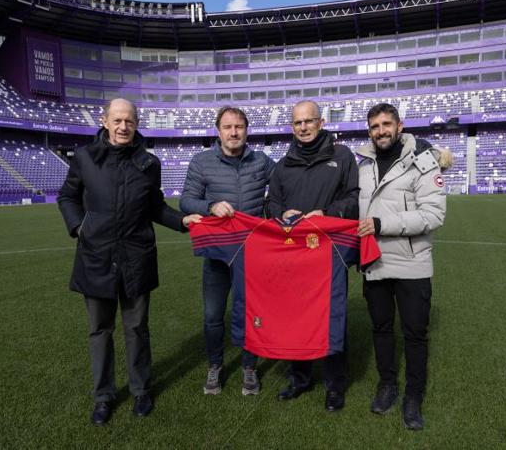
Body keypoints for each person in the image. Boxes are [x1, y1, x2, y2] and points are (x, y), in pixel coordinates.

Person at [57, 98, 201, 425]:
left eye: (130, 122)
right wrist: (79, 226)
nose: (123, 127)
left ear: (137, 124)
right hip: (96, 257)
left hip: (137, 257)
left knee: (137, 328)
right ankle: (103, 397)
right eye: (118, 120)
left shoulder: (149, 163)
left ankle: (140, 391)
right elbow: (67, 196)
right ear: (105, 120)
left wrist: (181, 221)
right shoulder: (84, 158)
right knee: (99, 330)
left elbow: (155, 207)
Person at [356, 102, 447, 431]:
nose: (381, 131)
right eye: (375, 126)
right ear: (370, 131)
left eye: (386, 124)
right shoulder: (362, 165)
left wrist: (381, 224)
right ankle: (387, 385)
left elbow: (433, 215)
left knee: (415, 334)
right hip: (375, 262)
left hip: (412, 263)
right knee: (380, 329)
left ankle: (413, 396)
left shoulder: (423, 161)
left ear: (399, 125)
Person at [267, 100, 359, 412]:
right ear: (292, 127)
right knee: (296, 317)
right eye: (298, 123)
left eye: (309, 121)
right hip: (294, 256)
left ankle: (335, 384)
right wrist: (282, 212)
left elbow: (354, 198)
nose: (304, 127)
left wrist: (328, 213)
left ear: (320, 123)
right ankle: (300, 377)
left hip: (329, 252)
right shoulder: (283, 165)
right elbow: (271, 205)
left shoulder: (342, 157)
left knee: (333, 317)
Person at [180, 106, 274, 395]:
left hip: (253, 254)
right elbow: (186, 201)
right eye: (228, 127)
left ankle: (249, 367)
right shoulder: (201, 162)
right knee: (212, 315)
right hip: (217, 254)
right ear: (218, 130)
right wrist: (210, 206)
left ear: (247, 129)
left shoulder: (262, 162)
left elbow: (285, 189)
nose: (234, 132)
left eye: (239, 127)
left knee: (249, 312)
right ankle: (215, 365)